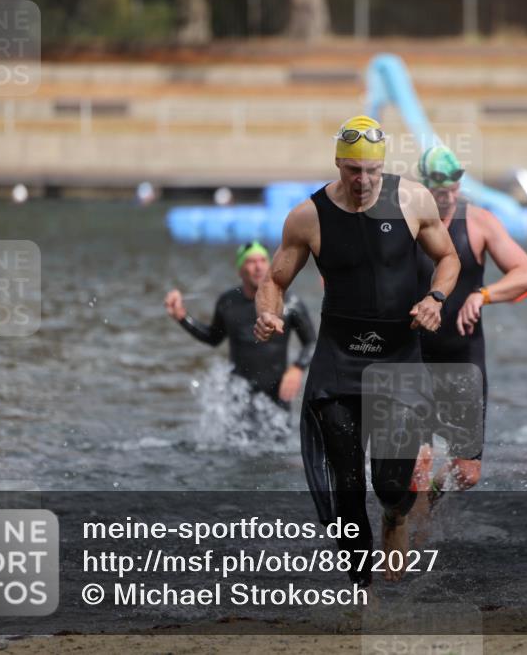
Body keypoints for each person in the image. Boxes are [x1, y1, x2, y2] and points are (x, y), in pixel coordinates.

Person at [253, 116, 460, 588]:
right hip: (338, 362)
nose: (362, 180)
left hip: (399, 361)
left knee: (389, 487)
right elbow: (275, 281)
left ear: (382, 166)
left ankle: (396, 515)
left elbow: (448, 259)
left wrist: (436, 299)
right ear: (338, 164)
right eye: (351, 170)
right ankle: (362, 592)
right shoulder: (308, 216)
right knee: (347, 490)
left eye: (370, 171)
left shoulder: (412, 199)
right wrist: (267, 313)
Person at [411, 144, 527, 507]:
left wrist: (483, 294)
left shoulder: (479, 222)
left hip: (464, 357)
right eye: (437, 189)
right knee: (417, 465)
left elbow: (526, 273)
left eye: (452, 187)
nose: (446, 196)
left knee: (467, 473)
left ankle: (426, 509)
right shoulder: (408, 222)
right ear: (424, 184)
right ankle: (411, 548)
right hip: (416, 356)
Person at [164, 241, 315, 408]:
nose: (258, 267)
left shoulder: (290, 303)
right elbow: (213, 338)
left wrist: (297, 369)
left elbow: (311, 342)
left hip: (275, 397)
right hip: (238, 396)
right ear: (240, 269)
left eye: (263, 261)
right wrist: (182, 317)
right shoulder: (228, 302)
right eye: (251, 262)